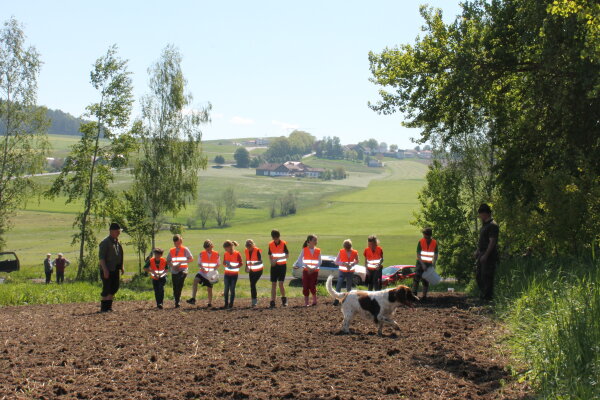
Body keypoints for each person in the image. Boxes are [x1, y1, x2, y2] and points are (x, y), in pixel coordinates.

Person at [475, 203, 499, 302]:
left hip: (488, 255)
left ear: (485, 213)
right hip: (482, 253)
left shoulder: (493, 225)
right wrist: (477, 251)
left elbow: (492, 242)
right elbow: (483, 240)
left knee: (487, 276)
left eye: (480, 214)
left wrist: (486, 255)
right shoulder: (485, 225)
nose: (480, 216)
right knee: (479, 275)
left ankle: (487, 298)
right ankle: (483, 295)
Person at [98, 223, 124, 312]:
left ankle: (109, 307)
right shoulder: (105, 242)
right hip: (107, 269)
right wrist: (105, 270)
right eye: (117, 231)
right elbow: (101, 258)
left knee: (114, 287)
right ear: (112, 231)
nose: (119, 233)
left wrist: (121, 266)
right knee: (107, 288)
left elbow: (119, 254)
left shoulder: (116, 242)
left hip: (115, 269)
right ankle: (104, 308)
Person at [187, 239, 219, 308]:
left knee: (209, 289)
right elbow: (199, 264)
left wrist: (213, 271)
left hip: (210, 274)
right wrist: (202, 267)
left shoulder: (216, 254)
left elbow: (218, 264)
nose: (208, 250)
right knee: (195, 280)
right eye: (206, 249)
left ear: (212, 246)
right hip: (202, 272)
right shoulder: (201, 254)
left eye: (209, 248)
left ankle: (210, 303)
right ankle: (193, 299)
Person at [293, 234, 322, 307]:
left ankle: (314, 301)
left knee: (312, 286)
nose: (316, 241)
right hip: (306, 271)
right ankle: (306, 303)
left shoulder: (318, 250)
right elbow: (299, 260)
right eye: (314, 240)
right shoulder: (304, 250)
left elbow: (320, 261)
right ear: (309, 241)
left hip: (314, 272)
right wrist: (305, 267)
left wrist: (313, 268)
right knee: (305, 286)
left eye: (316, 240)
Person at [167, 234, 193, 308]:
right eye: (176, 243)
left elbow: (191, 258)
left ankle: (177, 300)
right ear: (174, 243)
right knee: (175, 286)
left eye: (178, 243)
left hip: (183, 269)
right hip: (174, 271)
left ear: (181, 241)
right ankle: (177, 300)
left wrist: (181, 263)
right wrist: (173, 266)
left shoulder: (185, 249)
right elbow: (168, 260)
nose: (177, 244)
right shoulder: (171, 250)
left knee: (180, 282)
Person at [413, 227, 438, 301]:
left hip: (429, 264)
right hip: (420, 263)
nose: (424, 237)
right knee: (416, 279)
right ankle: (414, 295)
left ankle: (424, 297)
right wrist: (422, 265)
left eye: (425, 236)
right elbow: (418, 255)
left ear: (429, 236)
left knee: (426, 280)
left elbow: (436, 254)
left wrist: (434, 263)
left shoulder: (434, 242)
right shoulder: (421, 242)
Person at [333, 239, 359, 306]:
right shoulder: (341, 251)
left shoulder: (354, 252)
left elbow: (357, 261)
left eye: (348, 247)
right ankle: (336, 299)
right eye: (346, 247)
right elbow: (336, 261)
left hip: (350, 271)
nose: (347, 249)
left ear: (350, 246)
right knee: (339, 284)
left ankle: (348, 300)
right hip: (342, 271)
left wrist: (352, 264)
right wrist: (343, 263)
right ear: (344, 246)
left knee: (349, 286)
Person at [268, 229, 289, 308]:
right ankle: (272, 301)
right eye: (274, 238)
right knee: (273, 284)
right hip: (274, 266)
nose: (275, 240)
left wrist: (277, 259)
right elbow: (270, 254)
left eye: (276, 238)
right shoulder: (270, 244)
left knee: (280, 284)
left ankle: (284, 299)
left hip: (282, 266)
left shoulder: (283, 244)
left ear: (279, 237)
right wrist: (271, 261)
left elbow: (287, 255)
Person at [222, 240, 242, 309]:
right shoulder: (225, 254)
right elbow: (223, 263)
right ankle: (226, 303)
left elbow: (241, 263)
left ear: (229, 247)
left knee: (232, 289)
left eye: (225, 248)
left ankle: (231, 303)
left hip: (234, 274)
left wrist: (234, 267)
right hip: (227, 274)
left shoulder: (237, 254)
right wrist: (226, 265)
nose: (225, 250)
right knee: (226, 289)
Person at [244, 239, 263, 307]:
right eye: (247, 247)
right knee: (252, 285)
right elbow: (247, 259)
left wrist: (254, 263)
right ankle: (253, 300)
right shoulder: (246, 251)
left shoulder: (257, 251)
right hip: (251, 270)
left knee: (253, 284)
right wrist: (246, 267)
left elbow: (260, 261)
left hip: (258, 270)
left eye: (250, 246)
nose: (248, 248)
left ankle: (254, 301)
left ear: (253, 245)